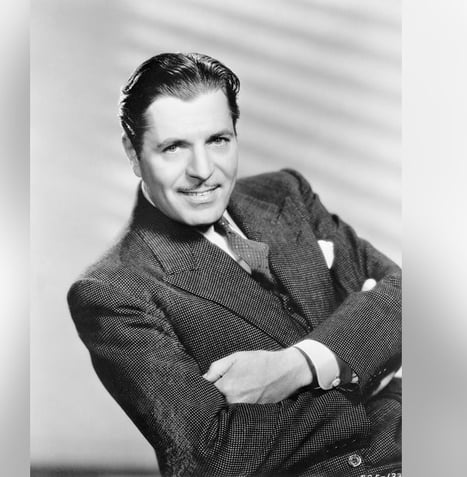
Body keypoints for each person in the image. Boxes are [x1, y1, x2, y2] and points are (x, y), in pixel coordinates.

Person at [68, 52, 401, 477]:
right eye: (174, 147)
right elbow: (215, 455)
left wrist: (297, 366)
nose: (203, 171)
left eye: (218, 141)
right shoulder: (113, 290)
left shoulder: (286, 194)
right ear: (133, 154)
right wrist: (370, 369)